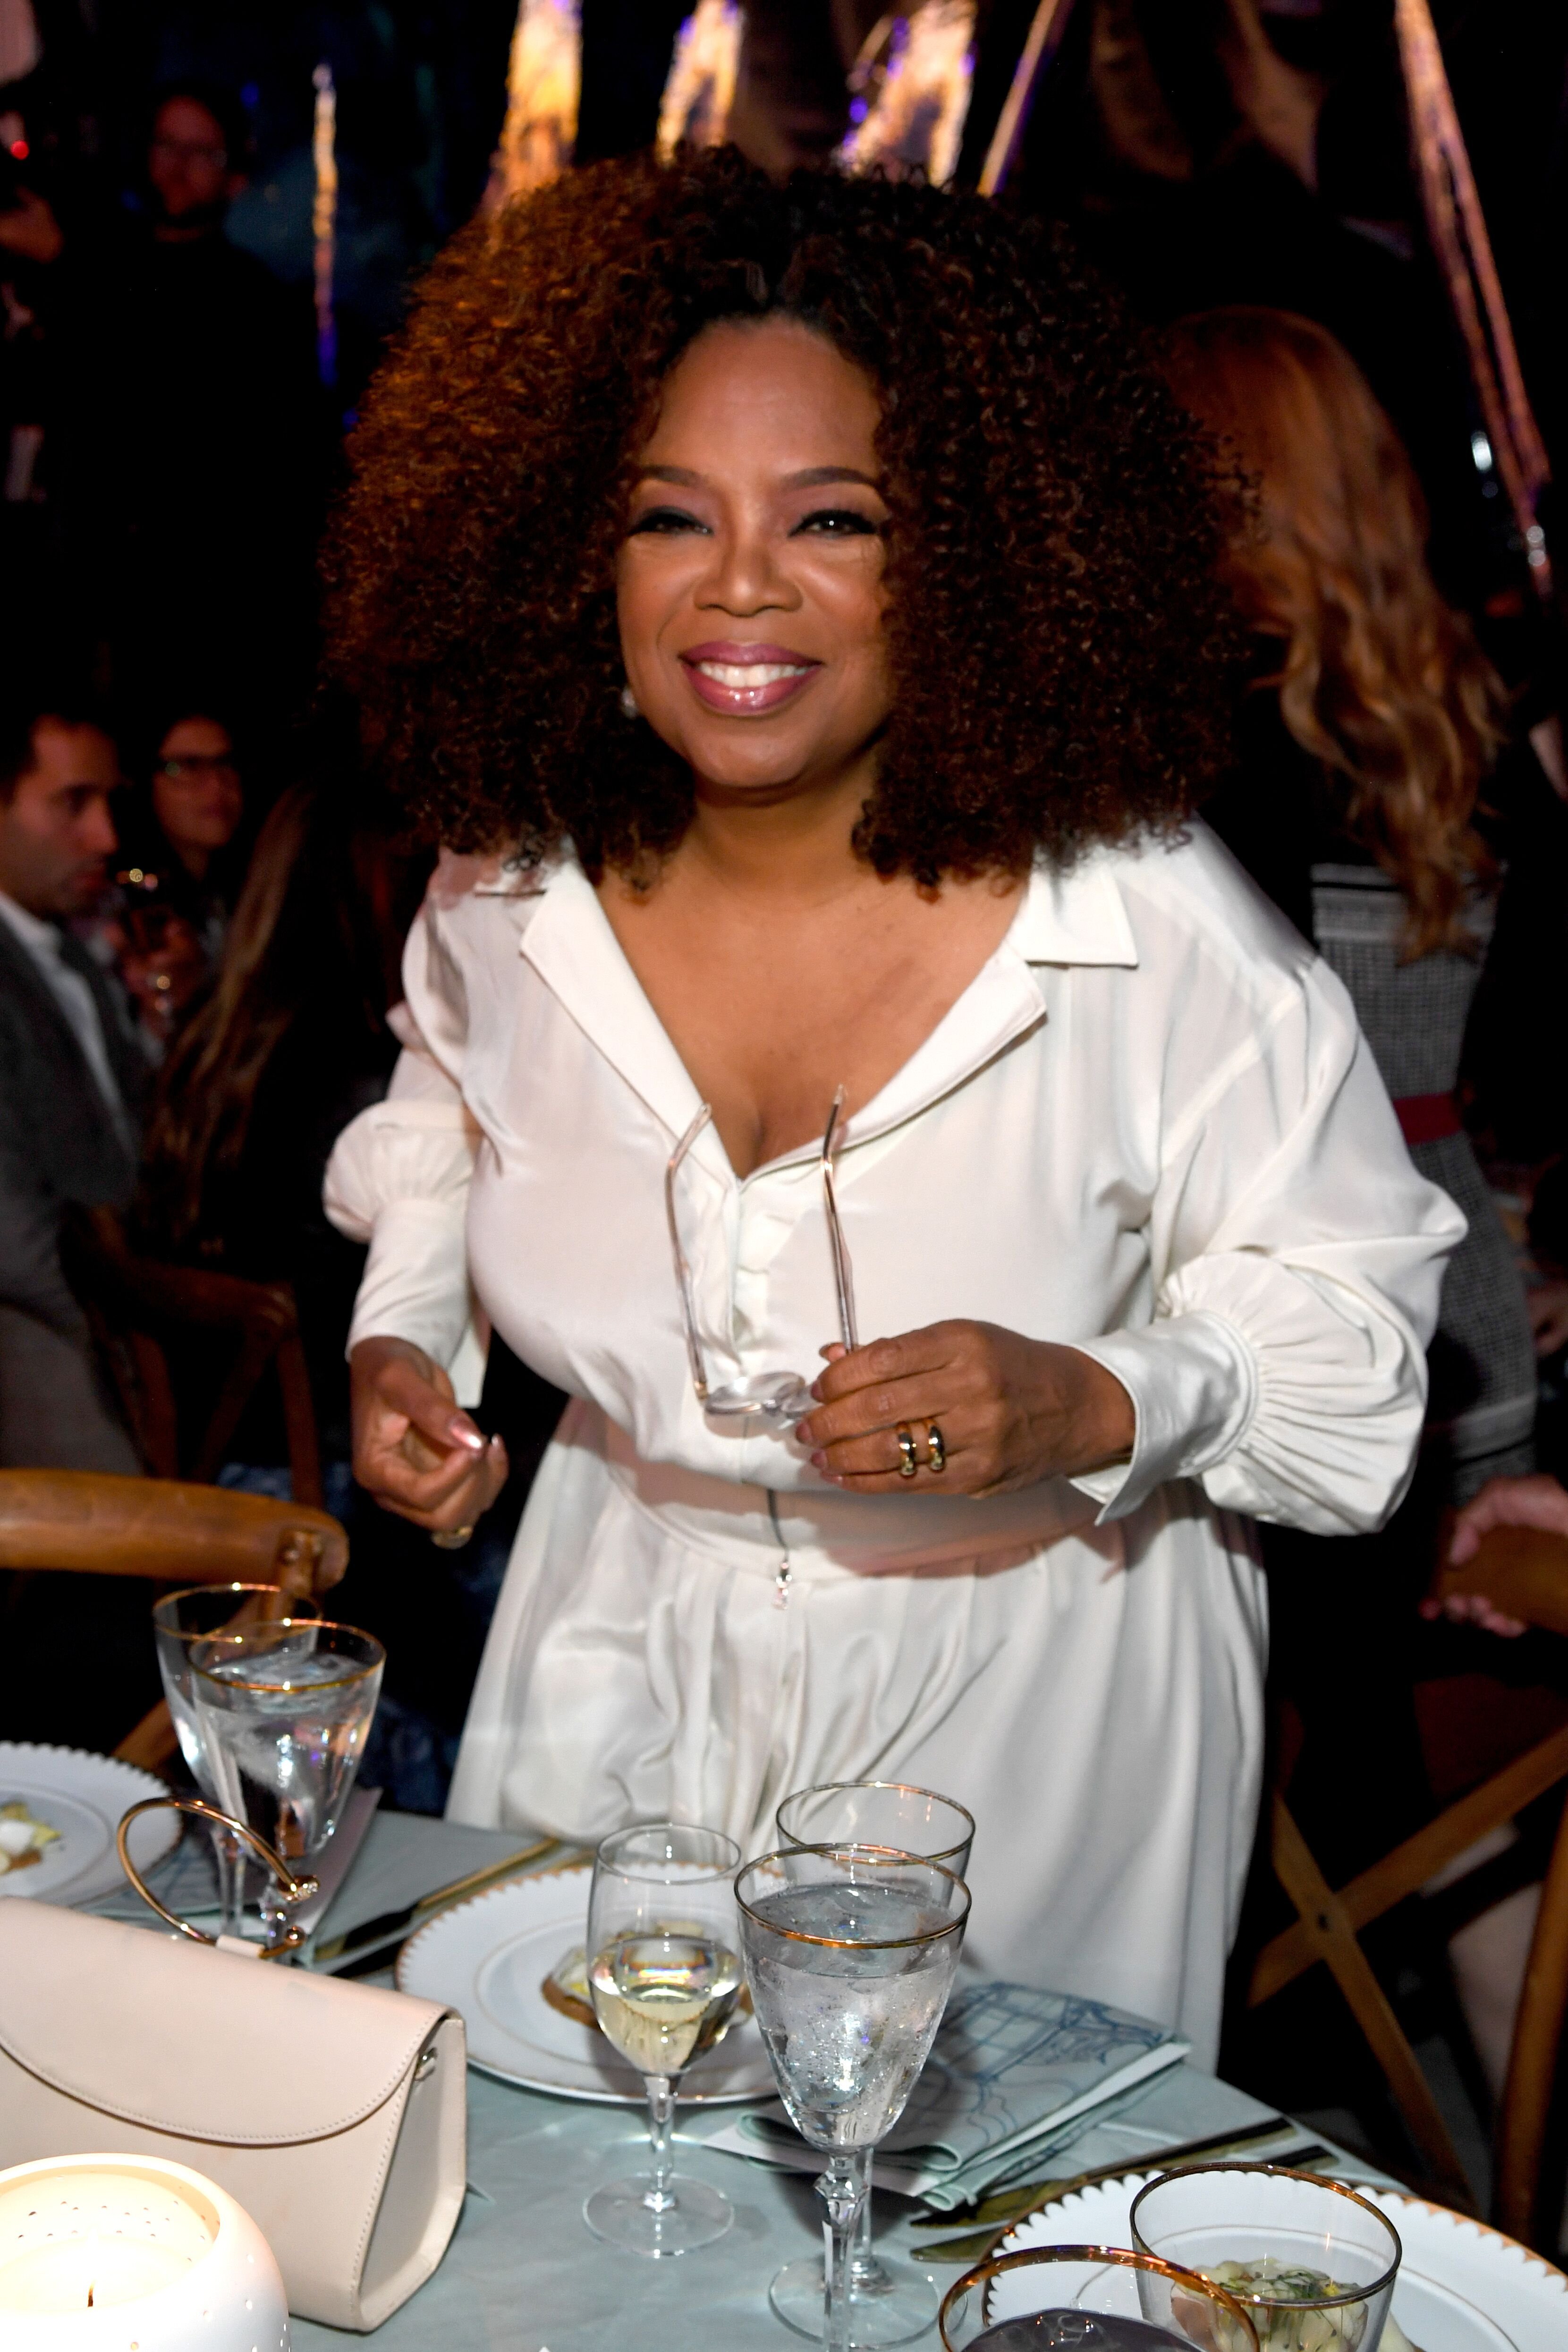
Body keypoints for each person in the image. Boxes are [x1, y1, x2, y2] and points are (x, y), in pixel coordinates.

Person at [322, 152, 1461, 2061]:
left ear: (967, 547)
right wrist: (401, 1334)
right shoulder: (505, 892)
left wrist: (1092, 1395)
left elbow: (1354, 1354)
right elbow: (441, 1103)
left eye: (830, 515)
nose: (738, 583)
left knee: (955, 2276)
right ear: (560, 556)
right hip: (613, 1628)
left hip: (1023, 1709)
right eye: (663, 515)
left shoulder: (1139, 927)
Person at [1161, 309, 1539, 1879]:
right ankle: (1472, 2131)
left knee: (1273, 1785)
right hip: (1467, 1297)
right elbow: (1535, 1062)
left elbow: (1221, 1099)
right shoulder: (1473, 733)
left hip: (1293, 1312)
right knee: (1458, 1801)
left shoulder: (1196, 755)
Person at [0, 695, 144, 1471]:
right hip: (41, 1353)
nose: (106, 837)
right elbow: (11, 1237)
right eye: (71, 804)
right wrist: (119, 1328)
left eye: (108, 803)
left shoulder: (72, 953)